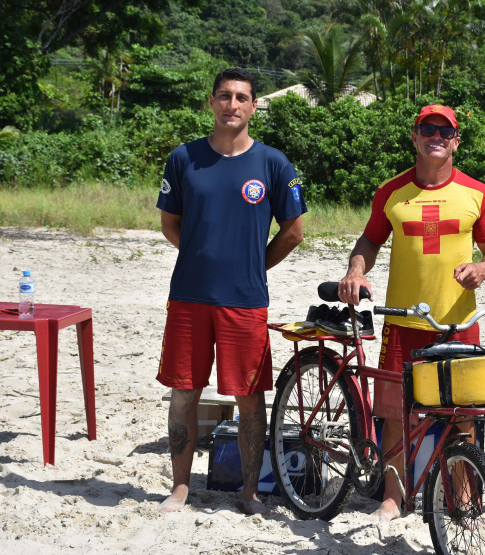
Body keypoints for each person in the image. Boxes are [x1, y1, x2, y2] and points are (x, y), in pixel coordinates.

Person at [338, 104, 485, 522]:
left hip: (458, 324)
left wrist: (482, 269)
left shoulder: (476, 192)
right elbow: (369, 242)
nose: (436, 136)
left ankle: (463, 501)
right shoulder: (391, 191)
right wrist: (355, 271)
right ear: (414, 137)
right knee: (395, 414)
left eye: (445, 131)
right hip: (401, 320)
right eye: (427, 129)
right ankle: (393, 499)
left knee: (463, 417)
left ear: (456, 142)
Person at [155, 68, 307, 515]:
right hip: (189, 295)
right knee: (184, 392)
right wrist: (205, 255)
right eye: (224, 96)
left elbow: (294, 232)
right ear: (211, 102)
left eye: (242, 97)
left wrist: (249, 264)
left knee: (249, 397)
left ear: (254, 106)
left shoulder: (273, 163)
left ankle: (249, 491)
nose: (232, 104)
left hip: (245, 300)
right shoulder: (184, 158)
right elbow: (170, 224)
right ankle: (180, 487)